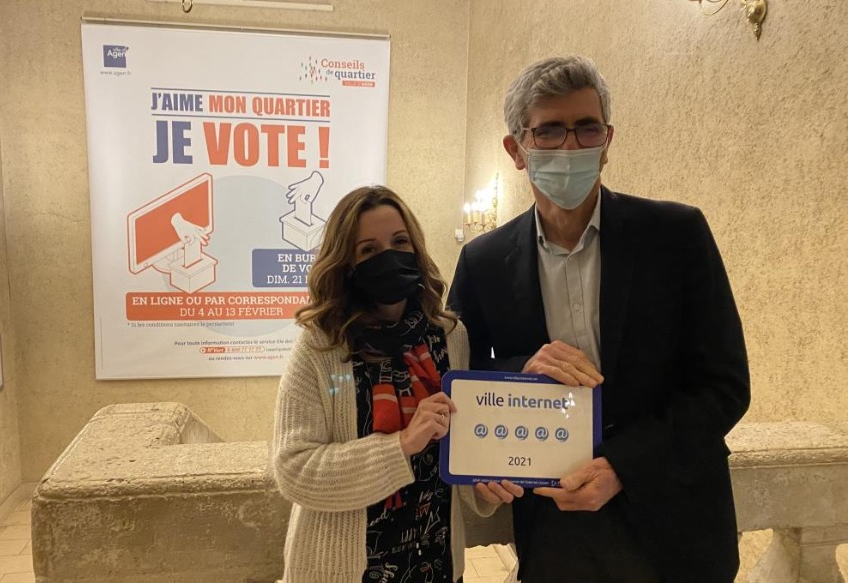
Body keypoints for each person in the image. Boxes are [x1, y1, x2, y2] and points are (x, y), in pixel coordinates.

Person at [448, 56, 751, 583]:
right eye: (549, 130)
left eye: (586, 128)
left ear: (607, 141)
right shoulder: (483, 260)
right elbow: (460, 376)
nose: (571, 146)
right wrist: (522, 371)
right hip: (554, 528)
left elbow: (724, 385)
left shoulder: (676, 235)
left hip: (675, 521)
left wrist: (622, 467)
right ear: (516, 150)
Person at [272, 185, 500, 583]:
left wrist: (485, 483)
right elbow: (293, 469)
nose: (389, 256)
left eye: (399, 242)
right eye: (369, 250)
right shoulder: (321, 346)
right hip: (345, 571)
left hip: (435, 560)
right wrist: (401, 444)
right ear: (347, 263)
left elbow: (460, 444)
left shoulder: (450, 336)